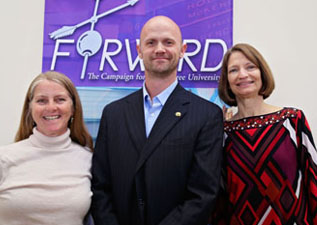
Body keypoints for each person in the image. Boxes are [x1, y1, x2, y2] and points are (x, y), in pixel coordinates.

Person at [91, 16, 223, 225]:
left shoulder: (207, 115)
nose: (159, 49)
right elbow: (100, 187)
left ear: (183, 50)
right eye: (151, 42)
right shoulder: (113, 114)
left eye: (168, 42)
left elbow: (203, 194)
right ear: (139, 50)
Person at [214, 43, 317, 224]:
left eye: (250, 67)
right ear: (226, 80)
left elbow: (313, 180)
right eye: (233, 70)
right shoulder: (223, 133)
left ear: (262, 73)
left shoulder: (292, 120)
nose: (243, 75)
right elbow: (220, 199)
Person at [0, 71, 93, 225]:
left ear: (73, 108)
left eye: (60, 99)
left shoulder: (88, 160)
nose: (51, 107)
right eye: (42, 101)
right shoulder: (1, 159)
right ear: (30, 109)